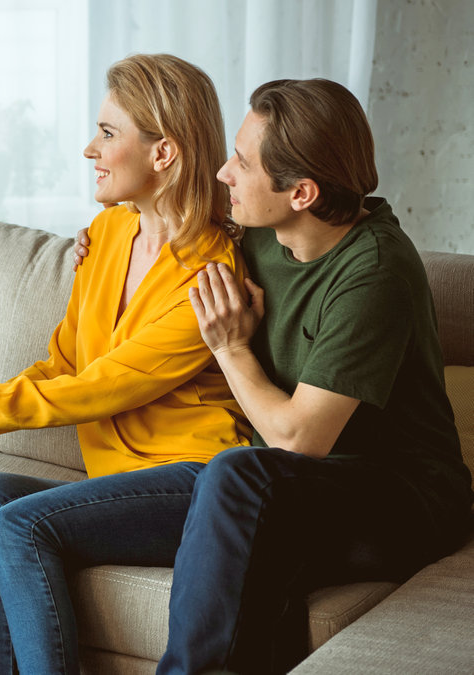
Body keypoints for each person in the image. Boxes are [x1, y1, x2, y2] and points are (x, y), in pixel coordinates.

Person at [0, 54, 251, 674]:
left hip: (192, 482)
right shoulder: (110, 234)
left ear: (164, 153)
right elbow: (59, 367)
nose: (91, 148)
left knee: (16, 527)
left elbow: (96, 389)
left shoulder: (210, 275)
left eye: (109, 134)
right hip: (111, 479)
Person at [74, 78, 473, 674]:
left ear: (302, 193)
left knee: (237, 474)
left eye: (242, 161)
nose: (222, 174)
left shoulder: (375, 271)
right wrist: (103, 239)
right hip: (294, 491)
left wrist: (233, 350)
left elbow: (298, 441)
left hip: (401, 499)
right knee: (253, 557)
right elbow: (165, 209)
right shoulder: (257, 230)